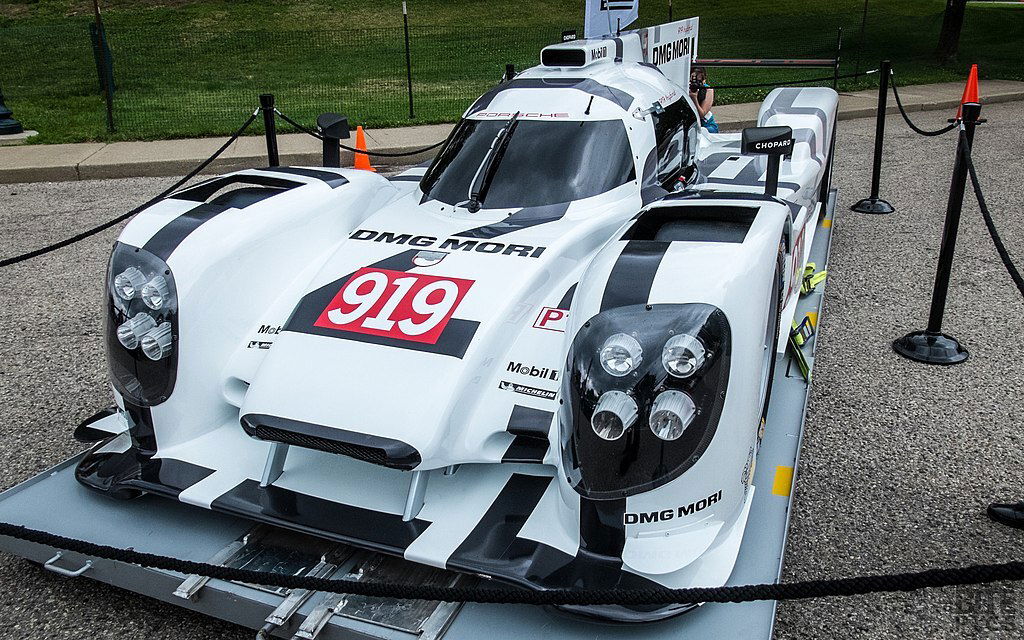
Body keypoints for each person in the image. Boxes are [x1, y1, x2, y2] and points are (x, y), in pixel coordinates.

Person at [689, 66, 719, 133]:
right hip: (689, 124)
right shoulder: (685, 88)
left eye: (699, 81)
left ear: (704, 80)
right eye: (692, 81)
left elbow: (701, 114)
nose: (695, 84)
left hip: (706, 125)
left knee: (702, 132)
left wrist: (694, 98)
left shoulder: (708, 90)